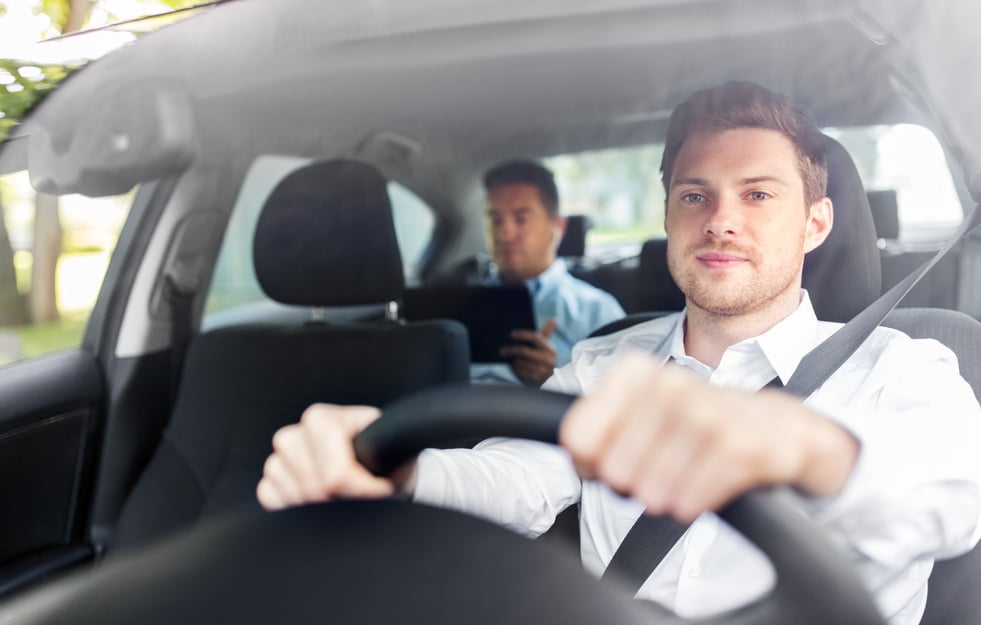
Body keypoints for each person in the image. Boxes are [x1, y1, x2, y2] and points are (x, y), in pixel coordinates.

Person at [256, 82, 981, 625]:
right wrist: (400, 471)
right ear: (668, 216)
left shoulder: (905, 367)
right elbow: (514, 479)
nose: (720, 221)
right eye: (694, 196)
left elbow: (955, 499)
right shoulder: (605, 365)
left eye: (758, 195)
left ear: (815, 223)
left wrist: (801, 447)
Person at [455, 160, 625, 386]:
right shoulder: (462, 307)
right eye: (495, 220)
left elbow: (625, 398)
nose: (505, 234)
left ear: (557, 228)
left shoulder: (597, 311)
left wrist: (556, 380)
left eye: (521, 219)